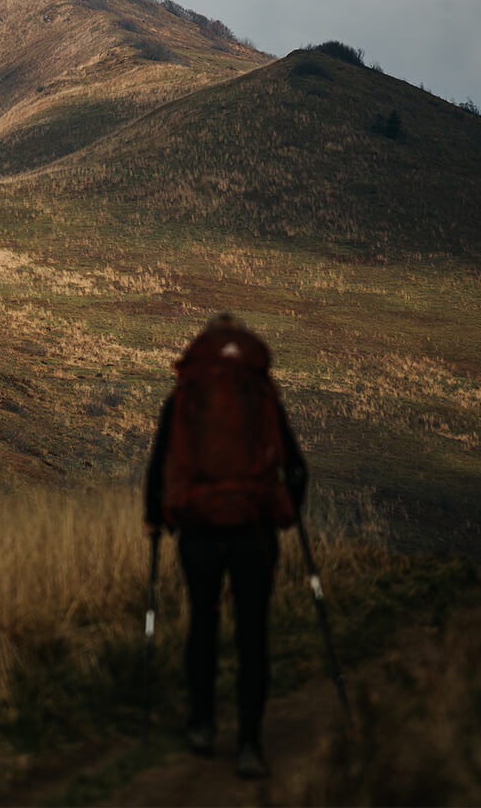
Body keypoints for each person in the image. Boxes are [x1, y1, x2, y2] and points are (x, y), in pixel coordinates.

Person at [144, 313, 307, 779]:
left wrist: (155, 520)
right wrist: (285, 514)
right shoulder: (260, 393)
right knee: (253, 634)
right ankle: (250, 743)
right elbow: (296, 467)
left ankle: (201, 724)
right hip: (254, 531)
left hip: (198, 529)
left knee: (203, 623)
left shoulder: (186, 393)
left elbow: (160, 463)